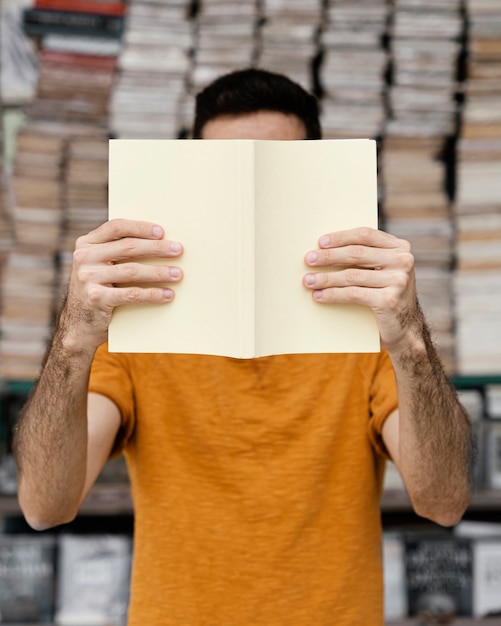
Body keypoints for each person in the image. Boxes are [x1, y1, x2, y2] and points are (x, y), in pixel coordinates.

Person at [13, 68, 473, 626]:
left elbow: (444, 501)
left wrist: (411, 340)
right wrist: (72, 339)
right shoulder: (136, 333)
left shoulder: (367, 335)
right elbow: (43, 507)